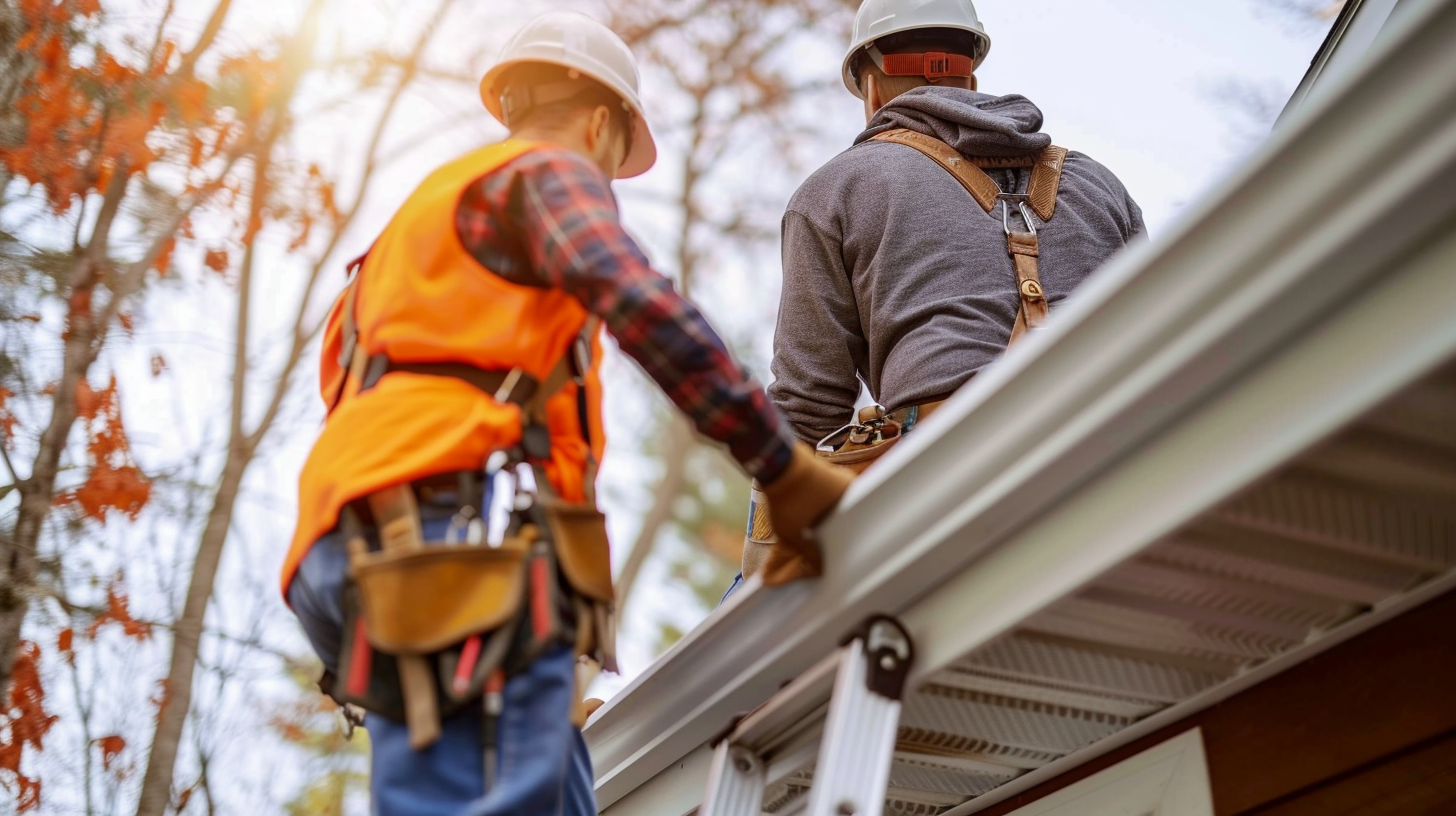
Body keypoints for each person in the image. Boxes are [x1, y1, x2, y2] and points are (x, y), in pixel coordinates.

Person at [280, 12, 852, 816]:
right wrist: (780, 466)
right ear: (599, 122)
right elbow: (639, 303)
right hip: (452, 548)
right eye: (614, 166)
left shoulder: (411, 241)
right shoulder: (547, 171)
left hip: (355, 557)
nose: (605, 186)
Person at [736, 0, 1145, 585]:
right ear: (971, 80)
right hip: (1122, 463)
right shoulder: (1100, 184)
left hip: (944, 489)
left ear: (873, 91)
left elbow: (809, 409)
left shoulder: (836, 190)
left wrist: (756, 589)